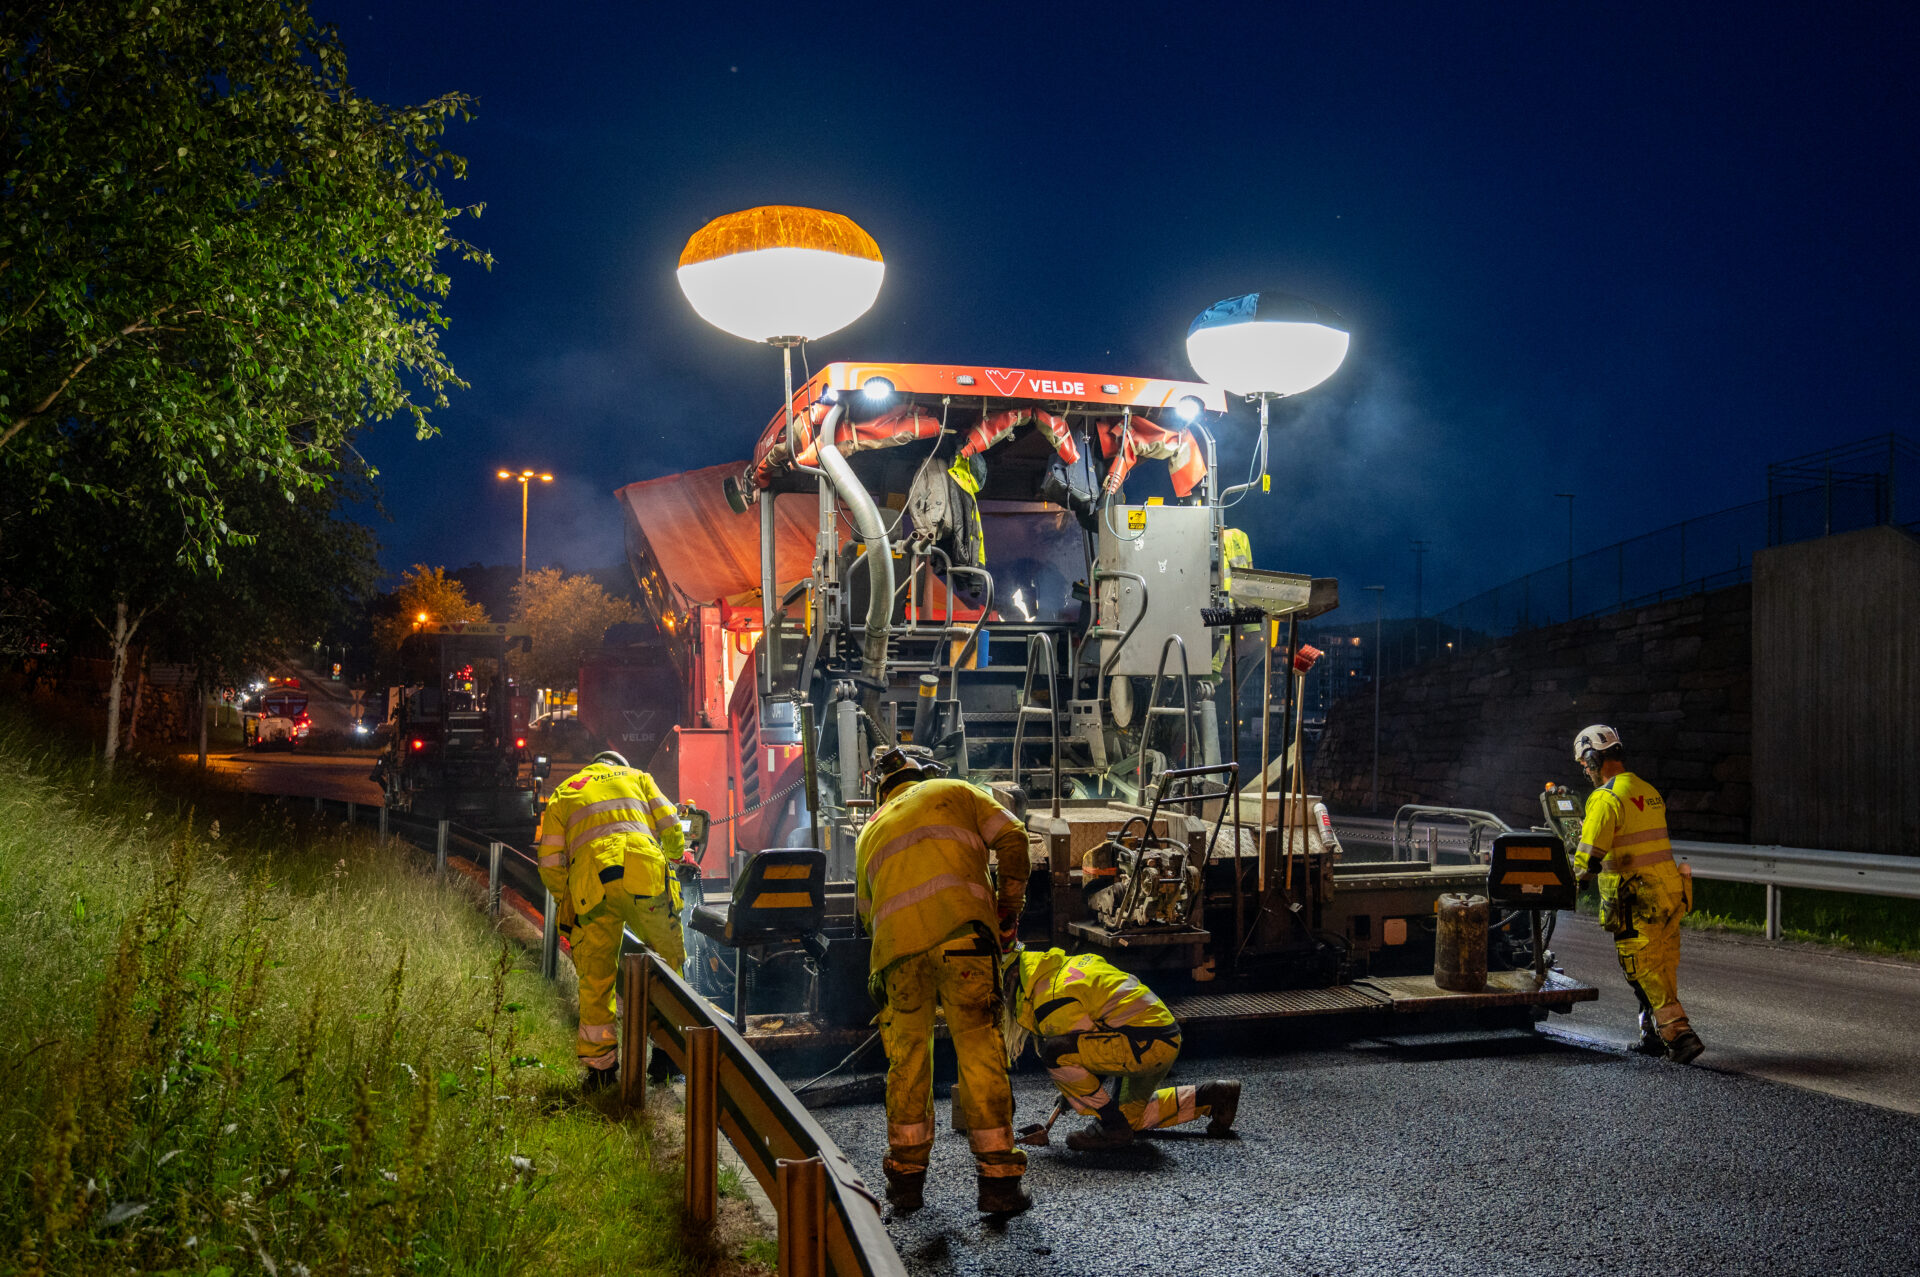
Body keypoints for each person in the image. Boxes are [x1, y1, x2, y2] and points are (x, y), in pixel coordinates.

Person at [855, 744, 1032, 1217]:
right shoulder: (954, 790)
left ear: (880, 792)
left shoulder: (869, 831)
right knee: (978, 1053)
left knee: (908, 1062)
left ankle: (906, 1184)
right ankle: (998, 1185)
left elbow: (864, 914)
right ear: (919, 774)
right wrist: (1008, 908)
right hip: (964, 943)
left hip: (897, 956)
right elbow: (1014, 838)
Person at [535, 749, 687, 1090]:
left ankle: (601, 1070)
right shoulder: (638, 777)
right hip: (644, 876)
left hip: (591, 886)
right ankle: (665, 1056)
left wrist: (568, 896)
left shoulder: (566, 791)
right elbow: (671, 825)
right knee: (669, 964)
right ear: (618, 765)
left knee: (596, 979)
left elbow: (548, 863)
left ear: (593, 765)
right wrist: (675, 856)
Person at [1002, 945, 1240, 1149]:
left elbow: (1073, 1053)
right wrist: (1075, 1088)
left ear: (1013, 974)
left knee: (1054, 1052)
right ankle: (1215, 1095)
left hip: (1141, 1044)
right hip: (1160, 1037)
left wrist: (1075, 1087)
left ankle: (1111, 1126)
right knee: (1129, 1119)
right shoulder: (1059, 968)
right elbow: (1092, 1045)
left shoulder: (1050, 998)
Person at [1570, 725, 1705, 1065]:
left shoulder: (1605, 798)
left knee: (1640, 967)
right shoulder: (1647, 789)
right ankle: (1653, 1036)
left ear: (1593, 758)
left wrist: (1572, 880)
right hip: (1670, 890)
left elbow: (1588, 856)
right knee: (1663, 964)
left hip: (1637, 897)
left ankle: (1679, 1035)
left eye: (1585, 764)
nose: (1585, 771)